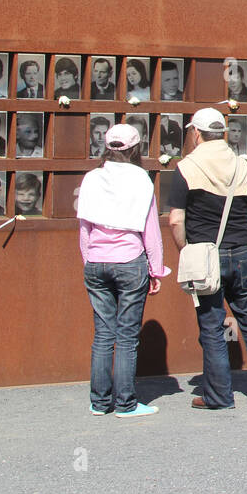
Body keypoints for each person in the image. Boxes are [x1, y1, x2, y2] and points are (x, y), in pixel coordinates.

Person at [167, 108, 247, 409]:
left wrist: (186, 251)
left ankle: (218, 396)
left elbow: (176, 221)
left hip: (207, 255)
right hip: (244, 250)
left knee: (211, 324)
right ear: (222, 132)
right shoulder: (243, 166)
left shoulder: (186, 167)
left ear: (196, 133)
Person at [77, 123, 166, 417]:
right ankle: (126, 403)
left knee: (103, 334)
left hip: (97, 261)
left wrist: (88, 260)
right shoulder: (142, 179)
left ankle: (100, 403)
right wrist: (156, 270)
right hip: (130, 261)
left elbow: (84, 229)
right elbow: (150, 231)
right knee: (127, 336)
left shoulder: (92, 178)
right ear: (135, 147)